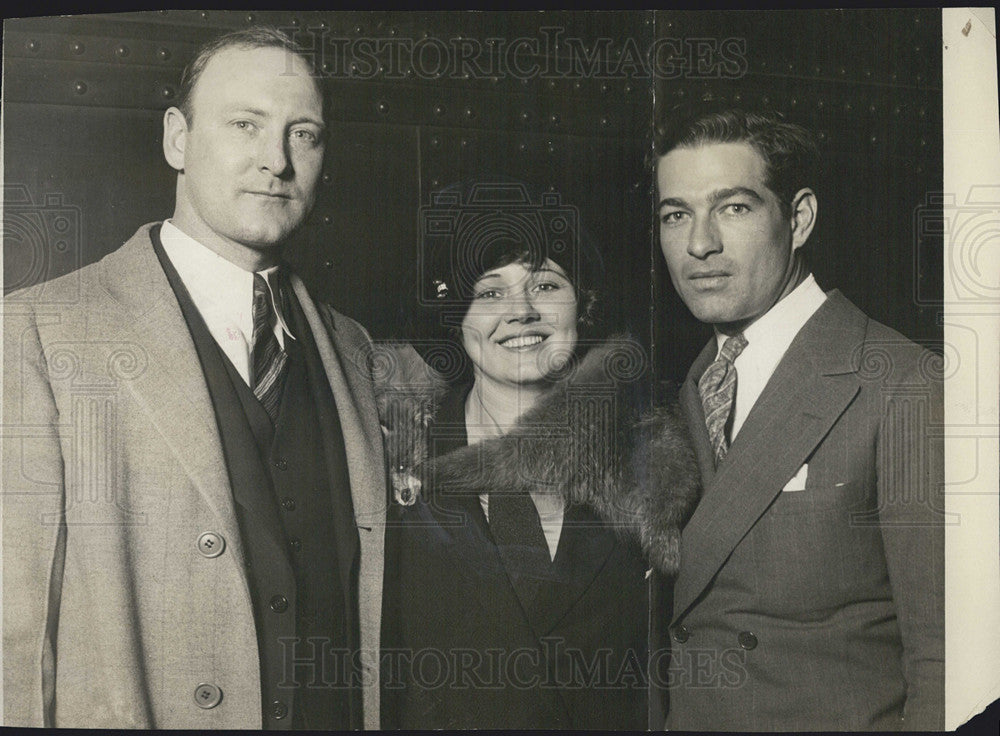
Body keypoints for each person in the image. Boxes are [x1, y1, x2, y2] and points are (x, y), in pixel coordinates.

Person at [2, 27, 386, 729]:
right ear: (177, 139)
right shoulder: (34, 331)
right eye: (246, 124)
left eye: (304, 135)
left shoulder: (352, 350)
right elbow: (12, 644)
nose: (276, 161)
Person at [650, 103, 945, 730]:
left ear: (799, 218)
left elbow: (944, 658)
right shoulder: (697, 383)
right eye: (677, 215)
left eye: (733, 207)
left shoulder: (899, 383)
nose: (700, 243)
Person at [376, 181, 699, 729]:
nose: (522, 312)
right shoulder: (389, 457)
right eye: (490, 293)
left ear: (584, 305)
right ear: (457, 317)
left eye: (546, 284)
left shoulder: (655, 459)